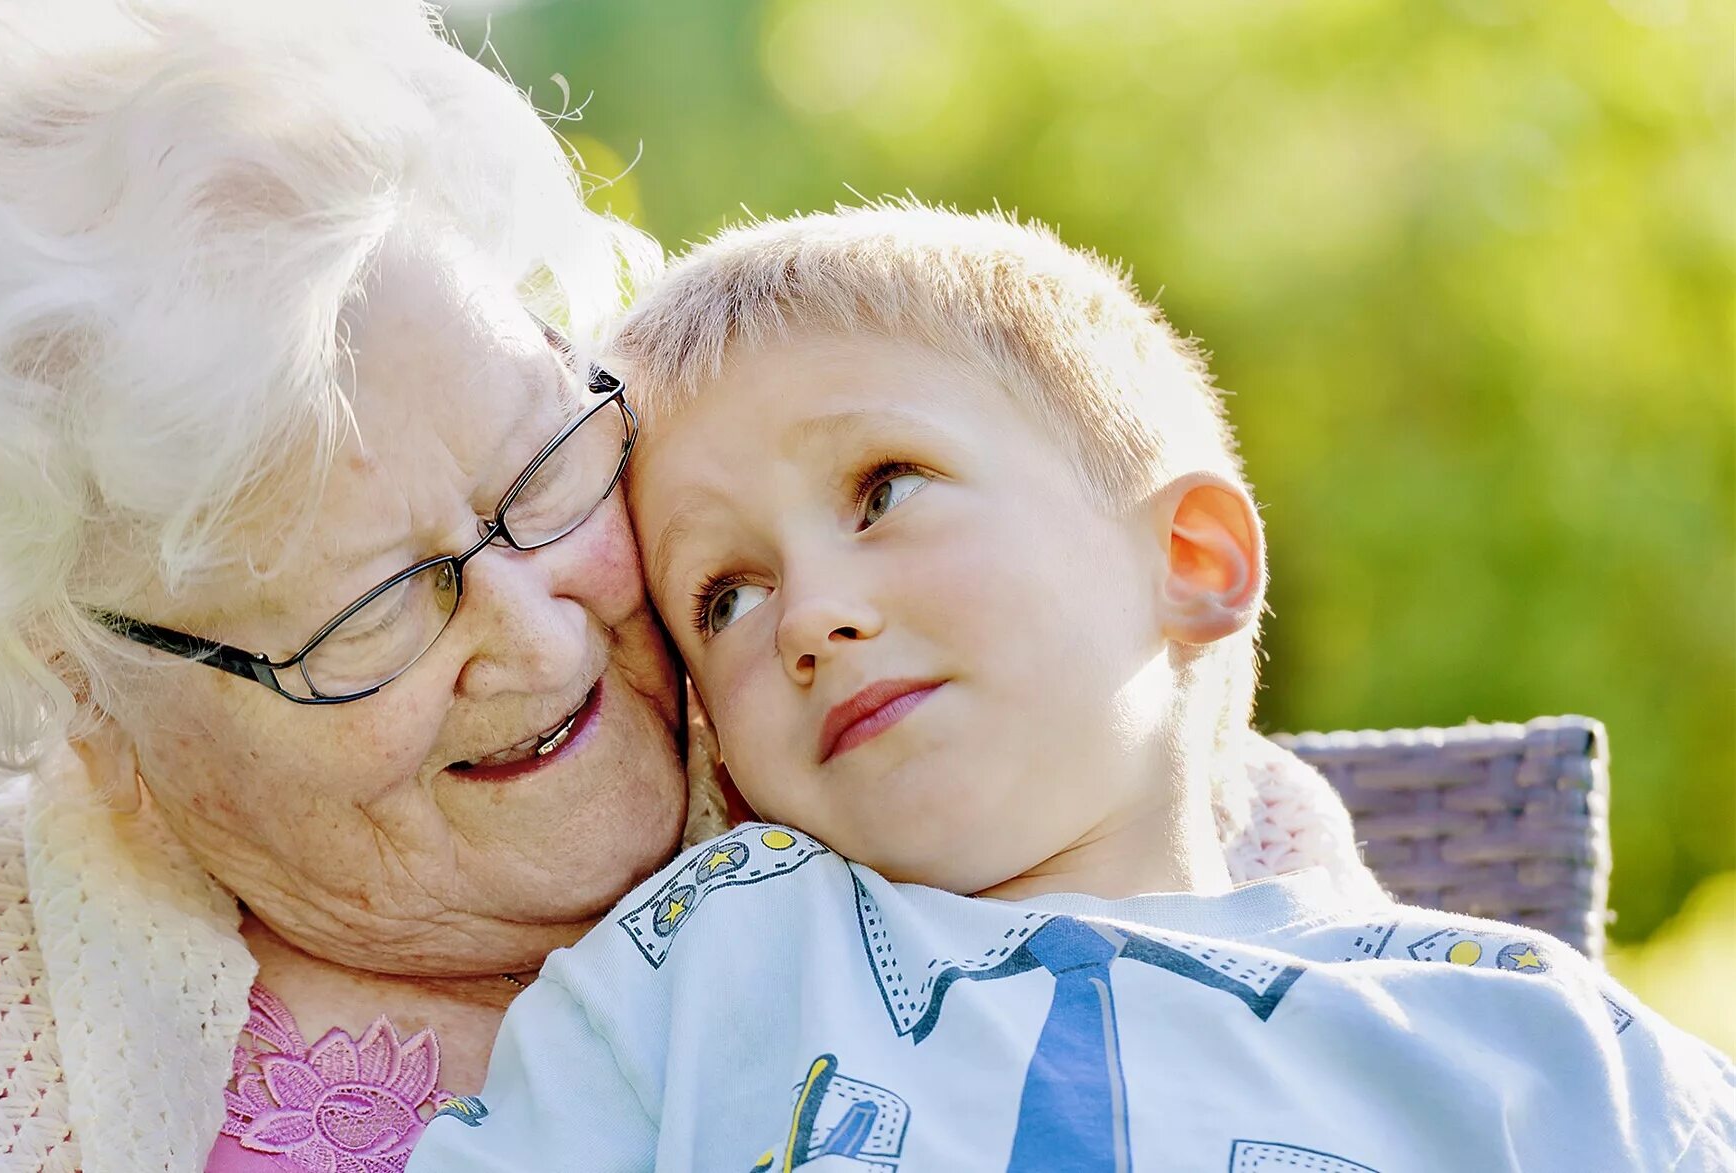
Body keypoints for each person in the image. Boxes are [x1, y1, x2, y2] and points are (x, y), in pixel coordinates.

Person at [0, 2, 1369, 1168]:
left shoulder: (969, 750)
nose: (536, 637)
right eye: (374, 609)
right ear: (89, 683)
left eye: (537, 478)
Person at [405, 206, 1736, 1172]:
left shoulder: (1518, 1036)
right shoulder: (698, 973)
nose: (810, 614)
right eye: (725, 598)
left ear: (1188, 557)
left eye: (882, 491)